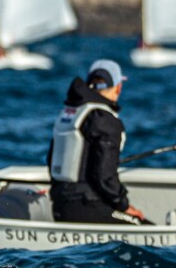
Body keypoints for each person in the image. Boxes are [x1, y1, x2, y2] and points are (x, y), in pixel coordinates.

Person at [47, 58, 147, 225]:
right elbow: (104, 175)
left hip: (60, 205)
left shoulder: (71, 113)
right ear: (118, 88)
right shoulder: (104, 119)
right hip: (87, 206)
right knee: (142, 226)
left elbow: (52, 160)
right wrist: (123, 205)